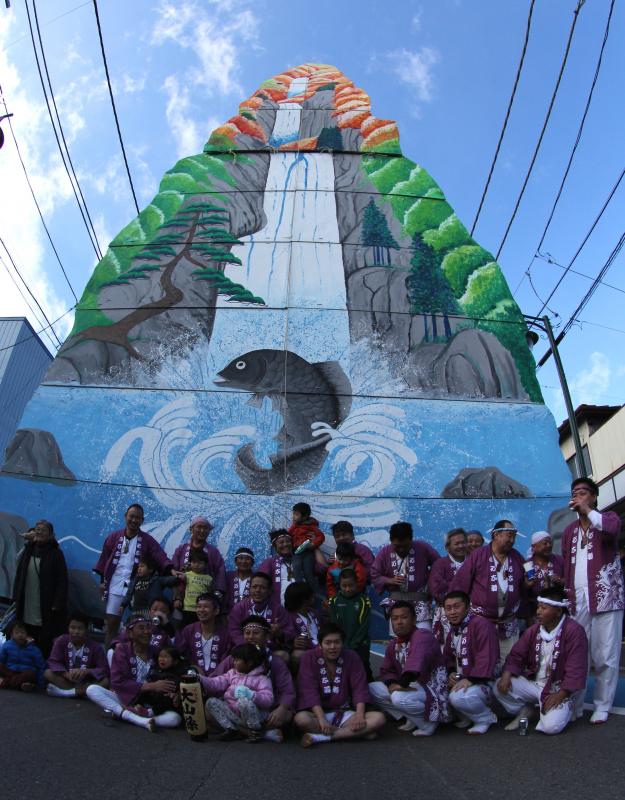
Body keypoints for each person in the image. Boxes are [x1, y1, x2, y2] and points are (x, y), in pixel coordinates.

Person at [561, 476, 624, 724]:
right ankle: (575, 705)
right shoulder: (569, 532)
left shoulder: (608, 518)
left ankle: (602, 705)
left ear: (594, 497)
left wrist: (587, 510)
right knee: (577, 652)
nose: (577, 496)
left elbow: (610, 530)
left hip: (606, 595)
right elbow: (567, 564)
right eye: (575, 492)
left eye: (584, 492)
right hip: (578, 598)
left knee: (606, 654)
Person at [493, 586, 588, 735]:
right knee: (499, 686)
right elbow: (516, 655)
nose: (538, 612)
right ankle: (530, 709)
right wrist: (506, 675)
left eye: (544, 608)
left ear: (558, 611)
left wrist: (561, 694)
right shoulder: (534, 630)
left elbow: (576, 668)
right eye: (538, 607)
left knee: (551, 727)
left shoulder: (574, 631)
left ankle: (562, 709)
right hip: (536, 684)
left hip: (559, 688)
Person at [294, 622, 385, 746]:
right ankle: (356, 733)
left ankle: (323, 737)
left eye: (337, 642)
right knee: (301, 719)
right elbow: (309, 691)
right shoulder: (309, 658)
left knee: (378, 719)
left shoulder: (352, 656)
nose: (333, 647)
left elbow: (360, 688)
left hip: (346, 713)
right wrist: (321, 719)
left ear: (342, 643)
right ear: (320, 644)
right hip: (318, 714)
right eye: (328, 642)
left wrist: (359, 715)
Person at [93, 504, 172, 648]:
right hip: (115, 585)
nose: (134, 520)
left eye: (138, 518)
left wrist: (171, 570)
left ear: (142, 520)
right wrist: (102, 582)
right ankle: (109, 658)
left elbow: (159, 555)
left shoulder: (147, 540)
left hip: (137, 587)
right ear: (125, 516)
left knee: (141, 625)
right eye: (131, 516)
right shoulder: (113, 537)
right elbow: (104, 560)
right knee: (111, 624)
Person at [450, 518, 525, 668]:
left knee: (508, 667)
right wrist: (457, 614)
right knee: (480, 664)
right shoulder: (478, 556)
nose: (512, 540)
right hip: (481, 622)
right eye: (509, 535)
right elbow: (460, 584)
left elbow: (524, 588)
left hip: (507, 624)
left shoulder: (517, 558)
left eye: (514, 537)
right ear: (496, 535)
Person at [86, 615, 182, 732]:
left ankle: (130, 715)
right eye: (141, 628)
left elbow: (176, 656)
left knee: (175, 719)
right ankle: (138, 719)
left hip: (149, 702)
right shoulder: (122, 650)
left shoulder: (156, 651)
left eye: (148, 628)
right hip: (125, 697)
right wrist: (152, 686)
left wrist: (176, 691)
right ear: (130, 633)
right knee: (92, 690)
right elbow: (117, 682)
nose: (146, 631)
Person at [368, 601, 450, 736]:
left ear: (414, 620)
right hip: (409, 686)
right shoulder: (394, 643)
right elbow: (387, 670)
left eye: (404, 617)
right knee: (372, 688)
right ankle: (410, 717)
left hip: (430, 687)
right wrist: (391, 683)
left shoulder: (422, 635)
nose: (399, 622)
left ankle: (428, 723)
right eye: (395, 618)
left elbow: (415, 662)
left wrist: (400, 684)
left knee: (398, 697)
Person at [212, 615, 296, 742]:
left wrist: (282, 708)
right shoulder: (234, 657)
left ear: (267, 636)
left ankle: (242, 731)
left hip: (264, 711)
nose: (250, 637)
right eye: (247, 633)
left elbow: (287, 690)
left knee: (286, 715)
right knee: (207, 710)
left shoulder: (275, 661)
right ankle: (260, 734)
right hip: (234, 707)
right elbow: (216, 678)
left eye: (256, 633)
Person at [442, 591, 499, 734]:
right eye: (448, 608)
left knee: (459, 696)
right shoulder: (453, 629)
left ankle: (485, 718)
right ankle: (468, 715)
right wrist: (451, 672)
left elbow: (487, 656)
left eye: (457, 607)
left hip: (484, 681)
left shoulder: (482, 625)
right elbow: (448, 657)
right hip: (463, 679)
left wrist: (472, 678)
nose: (452, 612)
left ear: (468, 607)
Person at [12, 519, 68, 657]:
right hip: (27, 601)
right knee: (25, 629)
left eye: (43, 530)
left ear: (51, 535)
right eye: (37, 529)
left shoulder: (56, 554)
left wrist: (57, 602)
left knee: (43, 636)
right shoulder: (29, 550)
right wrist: (16, 597)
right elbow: (19, 574)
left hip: (46, 603)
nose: (39, 532)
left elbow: (62, 580)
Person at [371, 521, 439, 629]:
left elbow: (439, 565)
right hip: (396, 605)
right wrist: (389, 580)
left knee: (423, 637)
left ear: (411, 540)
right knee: (400, 642)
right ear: (391, 541)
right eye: (397, 546)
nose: (401, 549)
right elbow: (374, 574)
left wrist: (430, 583)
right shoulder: (384, 552)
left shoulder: (422, 548)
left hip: (421, 604)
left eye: (405, 546)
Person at [202, 643, 274, 742]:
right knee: (211, 702)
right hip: (234, 715)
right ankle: (231, 729)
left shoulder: (262, 679)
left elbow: (268, 700)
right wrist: (200, 679)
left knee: (243, 701)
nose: (234, 662)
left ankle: (255, 732)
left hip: (254, 717)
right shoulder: (232, 674)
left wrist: (251, 694)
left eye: (237, 660)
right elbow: (216, 683)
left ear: (249, 663)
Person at [228, 572, 296, 659]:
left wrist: (280, 634)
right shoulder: (240, 607)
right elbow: (233, 631)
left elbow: (289, 632)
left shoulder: (278, 609)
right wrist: (249, 645)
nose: (258, 590)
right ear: (249, 589)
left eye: (263, 587)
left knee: (284, 656)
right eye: (254, 587)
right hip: (244, 649)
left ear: (269, 591)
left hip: (270, 650)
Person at [45, 612, 110, 698]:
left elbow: (103, 669)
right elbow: (53, 661)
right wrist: (66, 674)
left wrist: (86, 671)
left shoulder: (95, 647)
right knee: (48, 673)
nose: (76, 632)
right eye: (73, 628)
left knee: (105, 681)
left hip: (86, 682)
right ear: (68, 628)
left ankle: (67, 693)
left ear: (86, 630)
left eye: (80, 629)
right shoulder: (61, 640)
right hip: (68, 680)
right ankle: (79, 693)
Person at [328, 568, 372, 681]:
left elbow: (365, 625)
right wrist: (343, 643)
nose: (347, 589)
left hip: (360, 643)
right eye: (344, 586)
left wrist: (354, 643)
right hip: (341, 644)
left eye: (351, 585)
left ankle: (368, 690)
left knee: (363, 669)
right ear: (340, 585)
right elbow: (334, 624)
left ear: (356, 584)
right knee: (343, 671)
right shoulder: (334, 601)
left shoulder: (364, 601)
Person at [174, 593, 230, 675]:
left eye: (206, 607)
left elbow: (227, 660)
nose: (201, 610)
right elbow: (180, 655)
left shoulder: (225, 634)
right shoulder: (189, 630)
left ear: (216, 611)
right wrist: (193, 667)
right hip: (193, 678)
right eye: (199, 607)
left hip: (220, 679)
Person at [171, 515, 227, 597]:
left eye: (205, 528)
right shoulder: (181, 549)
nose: (202, 530)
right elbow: (174, 570)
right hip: (182, 594)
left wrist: (218, 592)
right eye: (199, 527)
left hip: (205, 596)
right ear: (191, 529)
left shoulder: (213, 551)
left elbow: (220, 572)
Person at [429, 528, 467, 645]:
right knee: (445, 647)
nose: (461, 546)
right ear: (447, 547)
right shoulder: (440, 564)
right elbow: (436, 589)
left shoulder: (472, 562)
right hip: (446, 611)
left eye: (463, 542)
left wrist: (450, 585)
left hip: (469, 612)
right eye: (457, 543)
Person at [524, 531, 564, 620]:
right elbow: (524, 587)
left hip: (557, 608)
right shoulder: (528, 565)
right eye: (545, 543)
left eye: (550, 543)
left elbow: (569, 580)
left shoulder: (559, 561)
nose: (549, 546)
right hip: (536, 611)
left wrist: (561, 581)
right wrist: (528, 584)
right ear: (534, 547)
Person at [284, 582, 321, 673]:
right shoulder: (288, 617)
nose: (314, 596)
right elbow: (288, 638)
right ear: (304, 600)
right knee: (298, 655)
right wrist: (293, 643)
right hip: (308, 649)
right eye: (311, 595)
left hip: (323, 646)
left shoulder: (315, 613)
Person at [140, 645, 186, 717]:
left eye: (166, 657)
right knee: (142, 691)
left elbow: (175, 685)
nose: (162, 659)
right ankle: (139, 707)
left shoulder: (177, 673)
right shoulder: (155, 669)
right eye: (160, 656)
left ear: (175, 661)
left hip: (165, 698)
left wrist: (173, 693)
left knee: (169, 698)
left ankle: (151, 712)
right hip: (153, 695)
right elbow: (150, 680)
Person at [288, 502, 325, 592]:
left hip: (308, 552)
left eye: (296, 514)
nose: (293, 517)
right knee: (296, 569)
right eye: (293, 514)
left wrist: (313, 544)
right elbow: (288, 535)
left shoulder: (312, 527)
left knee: (308, 572)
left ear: (305, 516)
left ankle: (314, 592)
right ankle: (299, 589)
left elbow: (321, 537)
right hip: (297, 552)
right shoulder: (294, 526)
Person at [0, 620, 45, 691]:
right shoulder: (7, 645)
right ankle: (20, 685)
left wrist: (41, 684)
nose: (20, 635)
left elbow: (41, 667)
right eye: (17, 633)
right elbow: (1, 661)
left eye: (22, 632)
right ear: (12, 635)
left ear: (27, 634)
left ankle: (5, 682)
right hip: (11, 671)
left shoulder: (34, 649)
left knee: (31, 673)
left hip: (25, 673)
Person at [174, 549, 214, 628]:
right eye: (194, 562)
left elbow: (210, 594)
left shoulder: (209, 578)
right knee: (185, 629)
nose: (196, 565)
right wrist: (177, 599)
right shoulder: (186, 575)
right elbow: (179, 586)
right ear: (190, 563)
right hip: (187, 608)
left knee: (199, 628)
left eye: (200, 563)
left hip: (201, 609)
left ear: (205, 565)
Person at [259, 530, 296, 606]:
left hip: (301, 609)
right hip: (278, 611)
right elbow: (260, 583)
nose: (285, 544)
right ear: (275, 546)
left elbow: (321, 569)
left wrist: (314, 546)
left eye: (288, 541)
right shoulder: (270, 562)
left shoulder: (299, 560)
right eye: (281, 542)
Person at [225, 546, 255, 611]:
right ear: (235, 561)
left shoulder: (256, 578)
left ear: (252, 563)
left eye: (247, 559)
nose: (244, 561)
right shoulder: (228, 576)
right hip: (229, 615)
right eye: (241, 558)